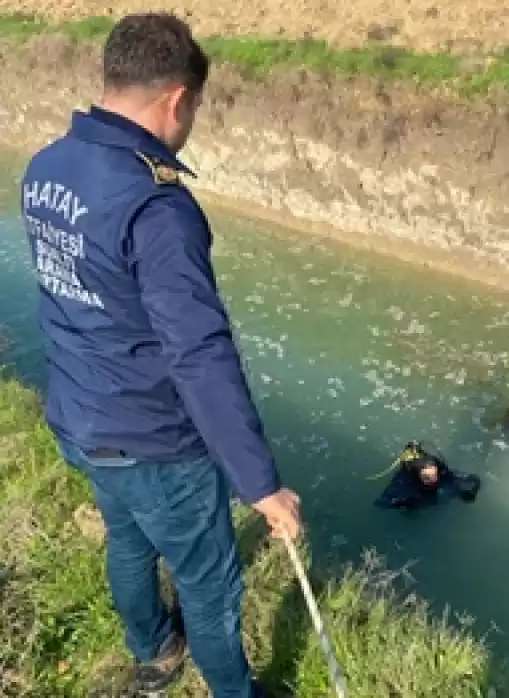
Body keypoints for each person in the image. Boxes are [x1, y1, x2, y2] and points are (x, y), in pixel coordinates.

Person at [20, 13, 301, 698]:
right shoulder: (157, 207)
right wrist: (260, 484)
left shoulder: (47, 165)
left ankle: (154, 653)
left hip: (80, 418)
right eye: (196, 108)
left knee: (129, 540)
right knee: (209, 584)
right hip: (153, 439)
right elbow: (200, 355)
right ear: (179, 99)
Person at [373, 441, 481, 510]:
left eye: (434, 475)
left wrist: (470, 492)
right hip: (414, 495)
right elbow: (381, 502)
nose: (433, 479)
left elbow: (474, 479)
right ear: (418, 475)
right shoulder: (404, 481)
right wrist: (401, 503)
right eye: (427, 477)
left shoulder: (442, 473)